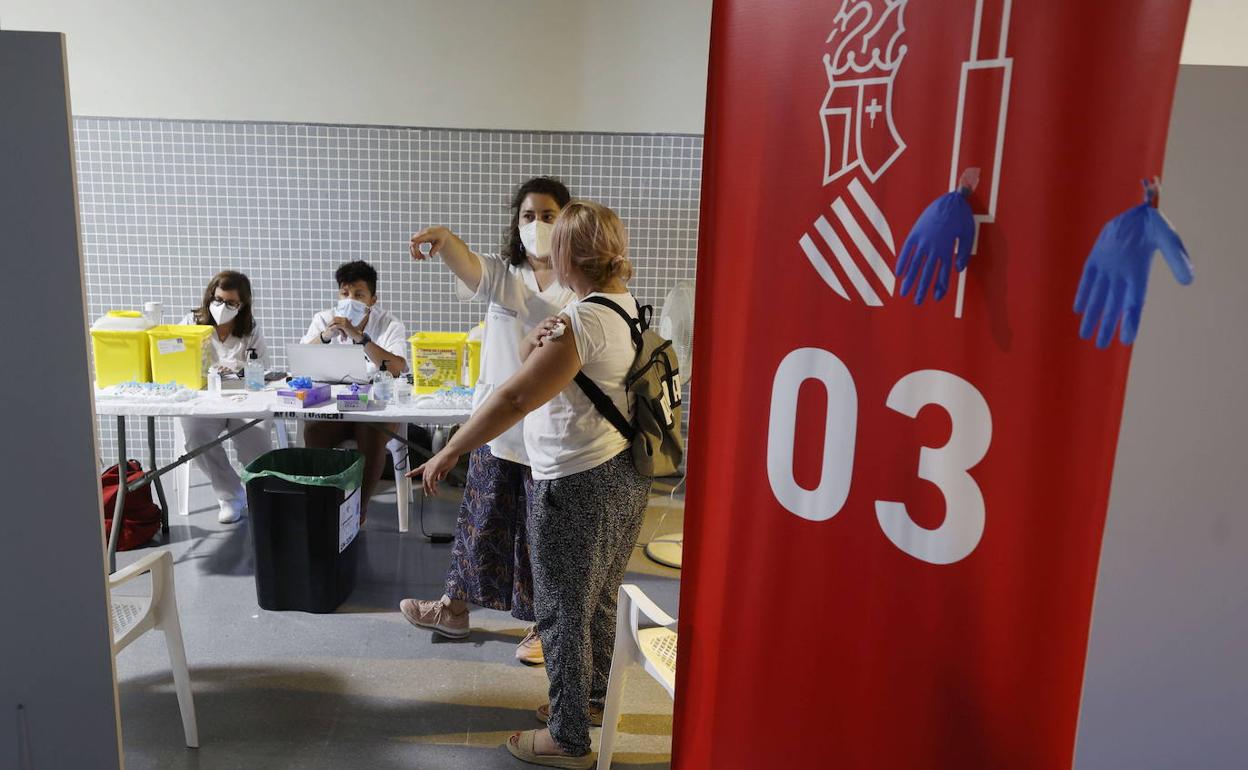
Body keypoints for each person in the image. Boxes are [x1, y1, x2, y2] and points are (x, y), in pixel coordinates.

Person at [414, 201, 652, 769]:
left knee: (563, 608)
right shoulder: (623, 309)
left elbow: (516, 397)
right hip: (620, 475)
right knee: (594, 600)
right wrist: (533, 342)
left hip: (575, 481)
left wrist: (449, 449)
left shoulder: (582, 320)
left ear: (569, 253)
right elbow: (547, 374)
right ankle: (589, 703)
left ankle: (567, 739)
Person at [399, 177, 575, 667]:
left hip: (551, 434)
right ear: (515, 225)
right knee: (479, 521)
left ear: (568, 222)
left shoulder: (578, 284)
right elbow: (470, 265)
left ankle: (544, 625)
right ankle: (453, 609)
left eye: (548, 216)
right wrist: (445, 238)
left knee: (542, 535)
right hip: (495, 427)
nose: (537, 225)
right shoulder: (505, 274)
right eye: (527, 216)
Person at [300, 260, 408, 521]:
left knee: (371, 431)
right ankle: (323, 504)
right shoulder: (324, 320)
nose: (350, 300)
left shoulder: (390, 324)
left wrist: (361, 338)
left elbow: (398, 367)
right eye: (345, 294)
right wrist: (326, 336)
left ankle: (358, 510)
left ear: (373, 299)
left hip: (376, 408)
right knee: (313, 433)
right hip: (335, 406)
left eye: (359, 294)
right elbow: (301, 362)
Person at [178, 271, 272, 524]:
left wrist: (238, 371)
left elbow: (262, 368)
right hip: (204, 399)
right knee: (197, 437)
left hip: (243, 397)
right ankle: (230, 494)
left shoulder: (250, 329)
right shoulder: (191, 322)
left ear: (242, 305)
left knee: (257, 436)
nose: (223, 307)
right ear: (210, 296)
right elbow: (177, 362)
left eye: (231, 303)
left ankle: (258, 493)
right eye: (218, 300)